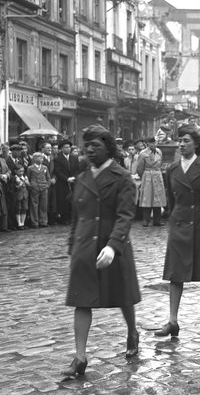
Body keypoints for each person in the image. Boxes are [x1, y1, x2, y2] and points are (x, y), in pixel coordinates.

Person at [63, 125, 141, 378]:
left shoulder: (122, 177)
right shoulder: (83, 177)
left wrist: (113, 245)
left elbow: (125, 215)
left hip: (112, 247)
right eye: (87, 145)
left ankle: (132, 332)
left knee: (123, 295)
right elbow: (77, 215)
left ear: (109, 148)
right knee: (81, 299)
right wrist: (73, 243)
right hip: (85, 247)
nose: (90, 150)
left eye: (95, 145)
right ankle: (80, 356)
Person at [154, 124, 200, 337]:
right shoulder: (173, 169)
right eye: (180, 140)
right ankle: (173, 321)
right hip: (180, 223)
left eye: (186, 141)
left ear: (196, 144)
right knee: (175, 272)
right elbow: (171, 197)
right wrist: (173, 217)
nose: (181, 144)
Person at [136, 137, 167, 227]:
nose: (153, 145)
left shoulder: (159, 152)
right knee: (147, 198)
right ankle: (146, 220)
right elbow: (139, 168)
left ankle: (157, 220)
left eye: (154, 142)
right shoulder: (143, 154)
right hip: (148, 175)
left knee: (158, 199)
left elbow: (160, 163)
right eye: (151, 143)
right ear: (147, 144)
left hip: (157, 175)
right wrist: (144, 176)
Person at [53, 140, 80, 225]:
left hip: (73, 182)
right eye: (66, 147)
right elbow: (58, 171)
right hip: (63, 183)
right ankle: (65, 218)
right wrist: (66, 179)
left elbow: (77, 169)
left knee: (73, 200)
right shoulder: (57, 159)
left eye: (69, 147)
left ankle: (73, 218)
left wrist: (74, 177)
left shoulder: (74, 158)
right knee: (63, 200)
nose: (68, 149)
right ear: (61, 149)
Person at [27, 152, 51, 228]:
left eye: (42, 158)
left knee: (43, 205)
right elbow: (28, 178)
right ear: (34, 159)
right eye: (39, 157)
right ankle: (35, 222)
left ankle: (43, 221)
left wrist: (47, 185)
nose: (42, 159)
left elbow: (48, 178)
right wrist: (31, 186)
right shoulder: (30, 168)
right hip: (35, 188)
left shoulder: (45, 167)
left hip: (44, 187)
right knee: (34, 205)